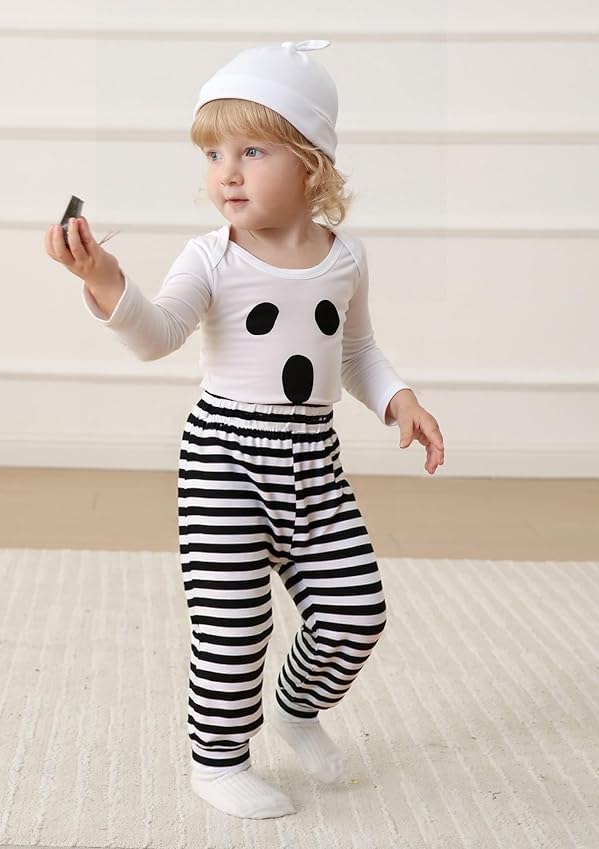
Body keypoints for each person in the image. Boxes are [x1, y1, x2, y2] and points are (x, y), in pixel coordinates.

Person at [44, 39, 444, 820]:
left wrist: (398, 398)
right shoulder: (211, 258)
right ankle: (217, 759)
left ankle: (295, 706)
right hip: (224, 458)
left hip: (312, 462)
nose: (226, 172)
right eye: (213, 154)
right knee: (233, 623)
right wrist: (105, 281)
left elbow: (355, 350)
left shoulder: (344, 258)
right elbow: (157, 335)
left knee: (355, 610)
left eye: (251, 151)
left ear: (311, 165)